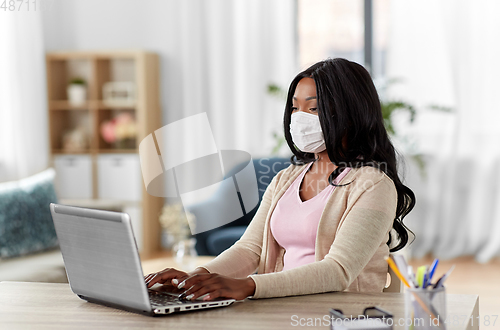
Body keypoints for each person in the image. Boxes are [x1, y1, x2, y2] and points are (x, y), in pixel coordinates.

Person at [144, 58, 416, 302]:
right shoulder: (286, 178)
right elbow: (250, 249)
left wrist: (249, 286)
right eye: (295, 108)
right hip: (283, 305)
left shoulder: (373, 184)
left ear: (349, 113)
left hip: (340, 314)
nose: (298, 119)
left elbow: (338, 270)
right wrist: (195, 279)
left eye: (312, 109)